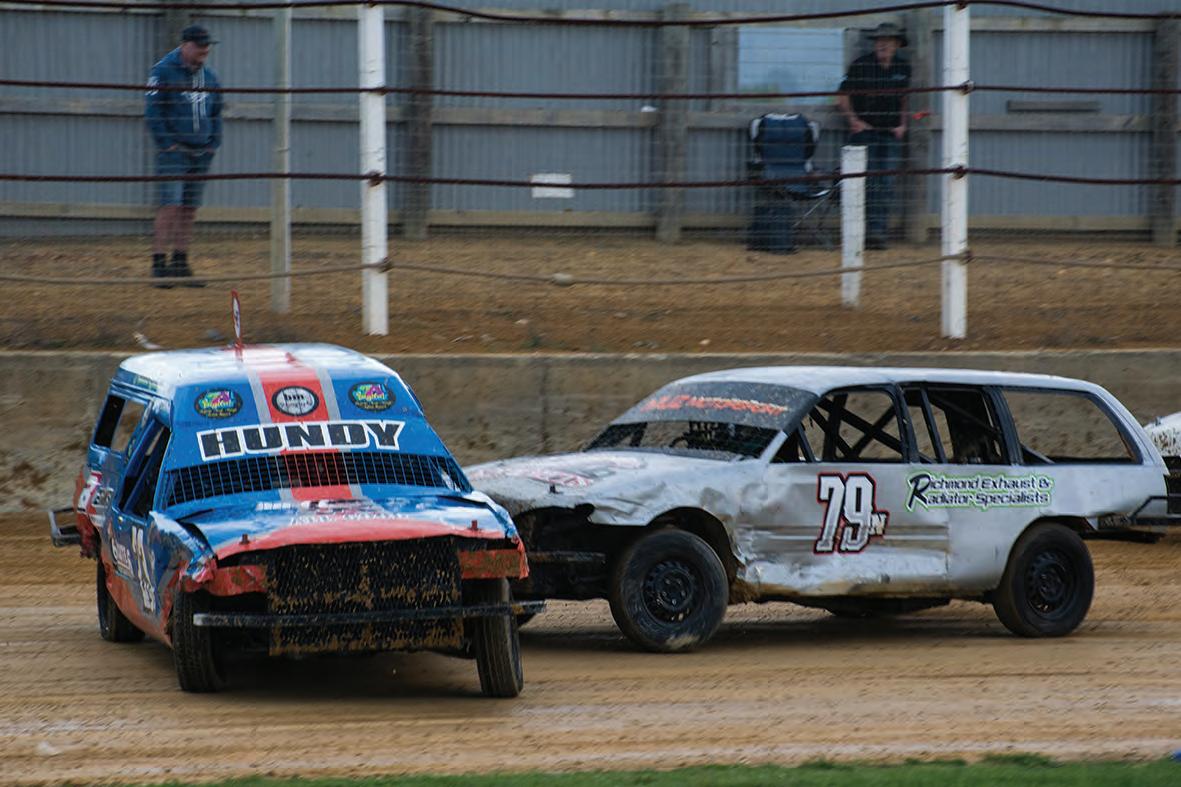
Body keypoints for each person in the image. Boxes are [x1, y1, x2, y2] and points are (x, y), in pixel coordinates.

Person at [145, 24, 223, 286]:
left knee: (189, 208)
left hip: (201, 151)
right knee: (170, 205)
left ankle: (180, 261)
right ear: (185, 45)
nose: (205, 50)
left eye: (207, 46)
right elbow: (153, 111)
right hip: (175, 151)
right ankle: (159, 264)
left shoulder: (209, 77)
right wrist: (167, 144)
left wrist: (213, 143)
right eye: (200, 46)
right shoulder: (162, 71)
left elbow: (216, 111)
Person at [836, 22, 911, 250]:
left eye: (888, 41)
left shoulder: (903, 67)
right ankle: (857, 233)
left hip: (890, 134)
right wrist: (853, 120)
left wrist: (902, 124)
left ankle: (878, 232)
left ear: (897, 45)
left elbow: (904, 98)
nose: (883, 45)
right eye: (880, 40)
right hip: (865, 133)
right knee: (864, 183)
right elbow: (842, 95)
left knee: (886, 183)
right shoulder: (861, 65)